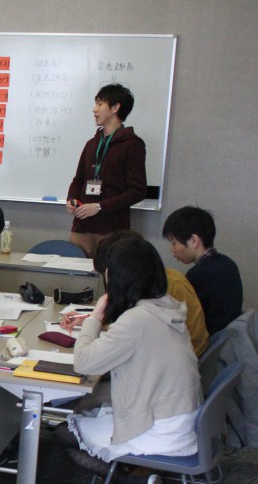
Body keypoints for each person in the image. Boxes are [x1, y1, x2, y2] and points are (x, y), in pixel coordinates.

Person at [56, 238, 201, 484]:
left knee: (64, 433)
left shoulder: (136, 320)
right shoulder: (165, 305)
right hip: (181, 417)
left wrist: (95, 318)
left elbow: (84, 362)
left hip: (159, 428)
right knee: (90, 408)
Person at [63, 231, 208, 356]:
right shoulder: (154, 279)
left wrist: (95, 321)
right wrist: (93, 320)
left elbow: (129, 329)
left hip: (186, 355)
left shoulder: (164, 288)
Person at [65, 84, 147, 257]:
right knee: (74, 271)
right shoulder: (91, 144)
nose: (94, 109)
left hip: (112, 231)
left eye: (100, 104)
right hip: (81, 228)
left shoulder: (132, 145)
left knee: (109, 273)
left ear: (115, 107)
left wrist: (100, 207)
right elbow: (78, 180)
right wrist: (71, 199)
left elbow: (138, 190)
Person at [161, 206, 243, 336]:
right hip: (229, 340)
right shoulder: (228, 263)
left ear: (194, 241)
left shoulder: (198, 275)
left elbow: (186, 319)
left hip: (210, 341)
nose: (172, 250)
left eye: (174, 243)